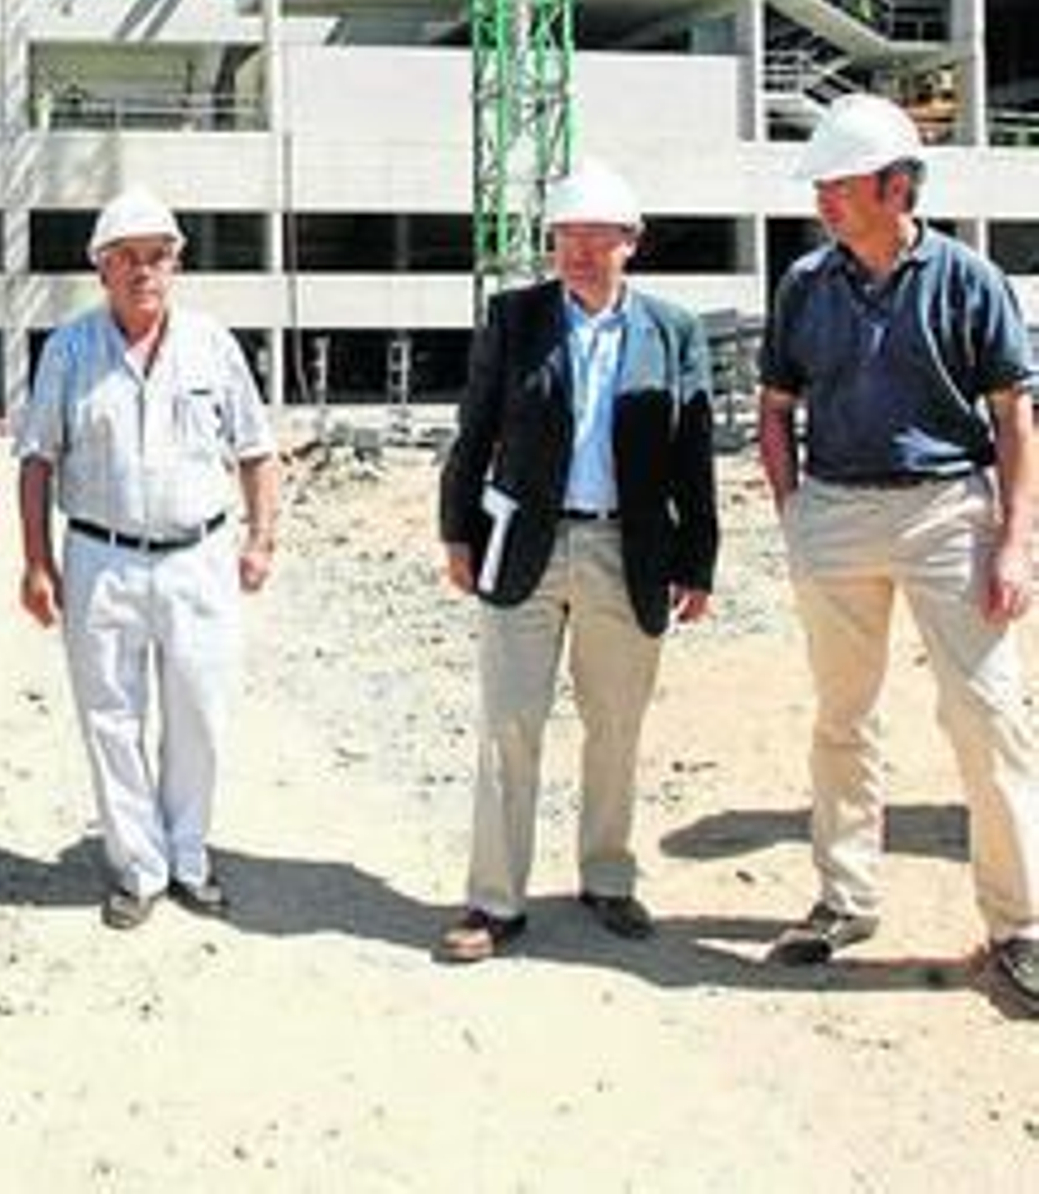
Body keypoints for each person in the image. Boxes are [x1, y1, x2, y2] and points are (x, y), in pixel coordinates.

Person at [758, 91, 1039, 1011]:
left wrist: (1012, 543)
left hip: (946, 515)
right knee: (844, 716)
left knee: (988, 715)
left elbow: (1013, 421)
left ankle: (1020, 925)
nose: (821, 203)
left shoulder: (969, 280)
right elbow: (775, 407)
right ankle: (845, 899)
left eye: (837, 186)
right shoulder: (804, 285)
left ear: (894, 185)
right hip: (835, 513)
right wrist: (795, 513)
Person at [436, 163, 718, 962]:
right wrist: (457, 533)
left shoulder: (672, 332)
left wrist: (697, 559)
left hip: (627, 549)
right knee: (508, 727)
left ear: (632, 243)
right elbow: (476, 429)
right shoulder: (515, 319)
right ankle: (494, 902)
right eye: (567, 238)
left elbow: (692, 456)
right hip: (524, 545)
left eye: (599, 238)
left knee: (616, 726)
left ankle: (607, 878)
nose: (582, 253)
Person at [16, 188, 280, 931]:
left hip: (200, 557)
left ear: (176, 265)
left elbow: (257, 449)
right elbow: (36, 459)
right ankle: (139, 868)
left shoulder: (212, 345)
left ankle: (189, 856)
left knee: (200, 713)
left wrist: (261, 539)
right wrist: (38, 563)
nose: (144, 272)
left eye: (157, 257)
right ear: (101, 269)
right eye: (126, 259)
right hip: (101, 558)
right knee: (111, 717)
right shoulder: (69, 349)